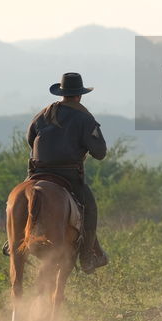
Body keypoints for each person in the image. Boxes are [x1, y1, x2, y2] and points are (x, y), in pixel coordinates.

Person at [24, 72, 109, 273]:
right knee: (90, 208)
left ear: (62, 93)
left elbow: (30, 138)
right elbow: (100, 152)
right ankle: (87, 256)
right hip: (68, 175)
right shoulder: (84, 117)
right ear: (79, 95)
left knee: (23, 198)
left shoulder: (44, 113)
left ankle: (12, 241)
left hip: (37, 171)